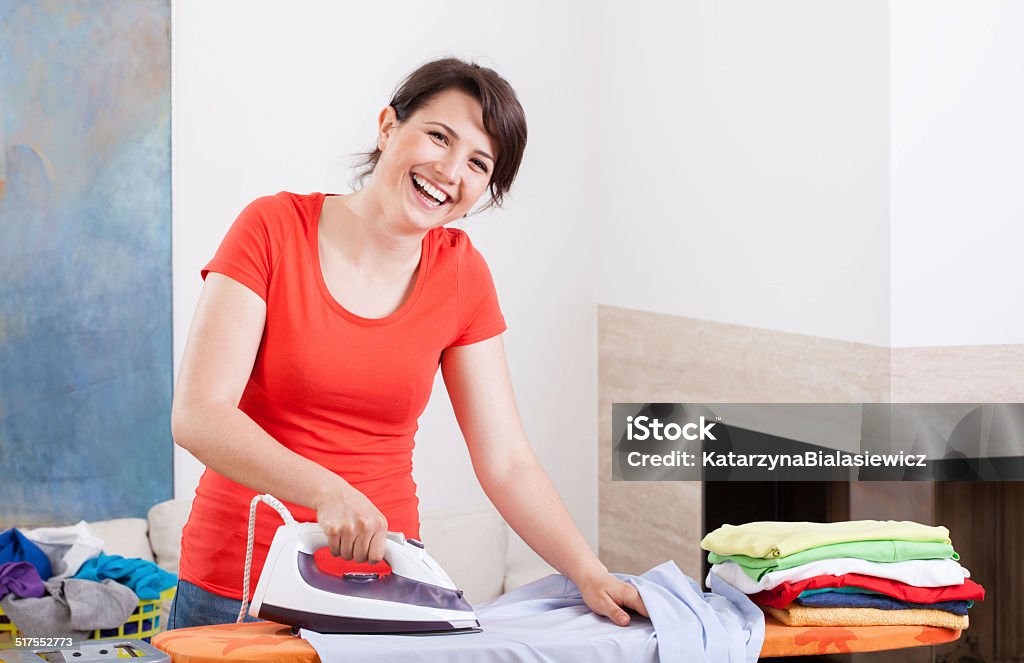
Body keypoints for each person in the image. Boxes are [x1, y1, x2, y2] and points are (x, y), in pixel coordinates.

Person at [168, 57, 648, 629]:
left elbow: (507, 461)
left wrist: (589, 573)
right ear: (388, 127)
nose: (449, 170)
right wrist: (328, 491)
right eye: (438, 136)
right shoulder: (271, 229)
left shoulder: (462, 275)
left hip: (383, 587)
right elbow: (199, 415)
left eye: (478, 162)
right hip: (235, 585)